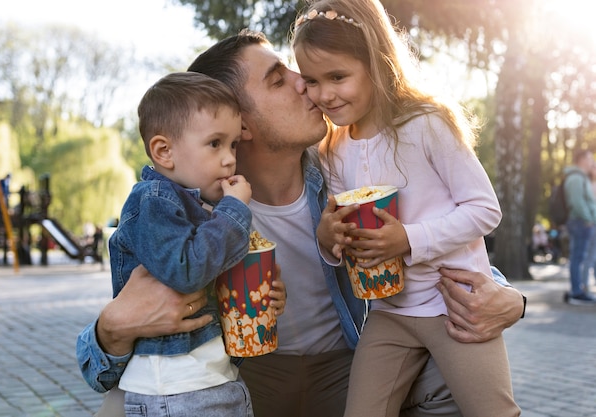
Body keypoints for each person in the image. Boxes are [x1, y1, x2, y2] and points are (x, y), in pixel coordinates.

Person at [77, 30, 526, 417]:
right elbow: (104, 366)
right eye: (279, 79)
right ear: (240, 123)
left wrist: (508, 296)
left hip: (344, 366)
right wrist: (110, 330)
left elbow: (431, 230)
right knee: (121, 406)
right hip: (246, 375)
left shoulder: (345, 170)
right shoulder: (189, 206)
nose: (305, 83)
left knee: (448, 371)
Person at [291, 1, 520, 416]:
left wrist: (408, 239)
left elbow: (485, 209)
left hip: (455, 307)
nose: (324, 94)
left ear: (375, 62)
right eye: (311, 81)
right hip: (388, 314)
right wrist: (329, 240)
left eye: (338, 77)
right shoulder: (331, 148)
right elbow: (348, 237)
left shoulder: (427, 123)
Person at [106, 71, 256, 415]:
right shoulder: (153, 202)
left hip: (211, 379)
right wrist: (233, 211)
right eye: (215, 143)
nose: (230, 157)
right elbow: (185, 270)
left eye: (233, 144)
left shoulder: (199, 207)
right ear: (164, 151)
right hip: (173, 390)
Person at [564, 148, 596, 304]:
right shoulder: (576, 178)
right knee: (578, 258)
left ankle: (578, 290)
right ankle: (576, 292)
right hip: (580, 222)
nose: (592, 161)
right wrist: (589, 218)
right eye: (590, 158)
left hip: (581, 222)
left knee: (580, 257)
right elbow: (577, 202)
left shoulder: (580, 177)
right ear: (582, 160)